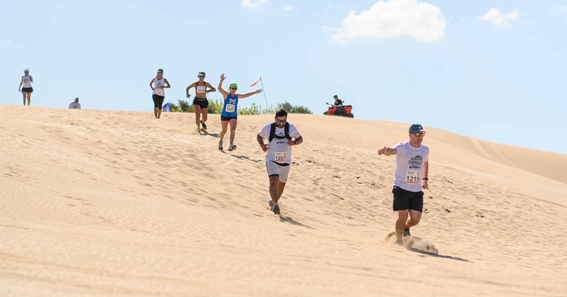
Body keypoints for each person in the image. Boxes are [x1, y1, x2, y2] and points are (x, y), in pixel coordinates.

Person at [378, 124, 430, 246]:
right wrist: (385, 152)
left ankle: (406, 228)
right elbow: (392, 151)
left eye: (422, 134)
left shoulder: (425, 149)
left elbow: (426, 163)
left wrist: (425, 179)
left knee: (415, 219)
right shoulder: (402, 146)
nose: (420, 137)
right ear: (410, 135)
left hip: (416, 189)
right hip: (401, 186)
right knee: (403, 215)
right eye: (417, 134)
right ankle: (398, 240)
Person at [256, 109, 303, 214]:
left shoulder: (291, 127)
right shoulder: (268, 127)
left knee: (281, 185)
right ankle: (276, 204)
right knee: (273, 180)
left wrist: (294, 142)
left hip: (285, 160)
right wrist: (262, 145)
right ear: (275, 118)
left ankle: (273, 202)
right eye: (279, 121)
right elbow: (259, 136)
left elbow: (300, 139)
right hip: (271, 158)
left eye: (283, 121)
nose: (281, 123)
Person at [217, 73, 263, 151]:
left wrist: (255, 92)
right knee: (224, 131)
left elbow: (245, 95)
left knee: (233, 129)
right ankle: (221, 141)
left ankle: (231, 145)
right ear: (230, 88)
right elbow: (219, 88)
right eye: (233, 88)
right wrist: (221, 81)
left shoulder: (236, 96)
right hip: (225, 115)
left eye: (235, 89)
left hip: (233, 115)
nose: (234, 90)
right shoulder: (226, 95)